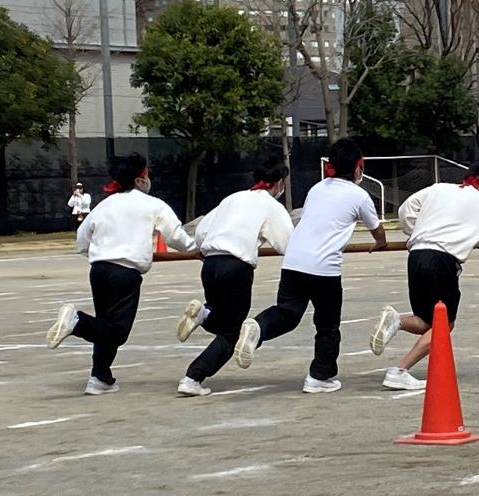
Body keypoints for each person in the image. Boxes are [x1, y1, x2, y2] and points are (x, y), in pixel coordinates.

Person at [235, 138, 386, 394]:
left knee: (288, 313)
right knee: (327, 326)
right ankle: (320, 376)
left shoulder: (317, 188)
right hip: (324, 268)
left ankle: (259, 327)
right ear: (359, 167)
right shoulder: (360, 196)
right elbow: (377, 230)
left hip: (293, 261)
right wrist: (380, 243)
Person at [45, 153, 197, 396]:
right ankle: (77, 322)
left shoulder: (104, 205)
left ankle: (100, 377)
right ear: (139, 179)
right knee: (117, 332)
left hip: (99, 270)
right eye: (147, 174)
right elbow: (175, 236)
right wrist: (196, 249)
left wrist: (102, 252)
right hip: (125, 272)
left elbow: (82, 240)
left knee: (104, 324)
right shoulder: (152, 204)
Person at [369, 163, 479, 390]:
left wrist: (416, 232)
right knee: (444, 325)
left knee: (425, 320)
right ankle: (399, 370)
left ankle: (397, 320)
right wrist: (478, 238)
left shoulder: (438, 189)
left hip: (417, 255)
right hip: (442, 260)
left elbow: (405, 211)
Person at [174, 149, 294, 398]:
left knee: (221, 317)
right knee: (233, 332)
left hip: (210, 264)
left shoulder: (232, 198)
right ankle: (193, 377)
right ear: (280, 183)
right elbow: (286, 245)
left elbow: (201, 232)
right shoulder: (271, 206)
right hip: (236, 267)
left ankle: (203, 314)